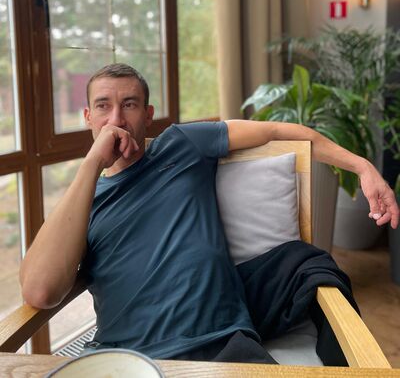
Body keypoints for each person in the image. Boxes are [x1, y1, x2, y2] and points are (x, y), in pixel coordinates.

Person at [19, 63, 399, 363]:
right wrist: (92, 164)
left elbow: (277, 131)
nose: (116, 119)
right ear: (88, 116)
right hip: (127, 359)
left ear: (148, 115)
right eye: (103, 106)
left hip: (220, 345)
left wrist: (363, 167)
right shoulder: (82, 201)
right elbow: (40, 290)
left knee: (311, 264)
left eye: (129, 104)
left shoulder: (181, 144)